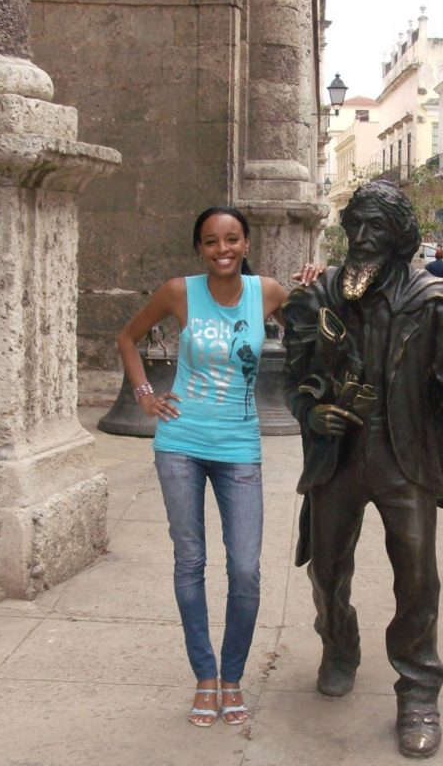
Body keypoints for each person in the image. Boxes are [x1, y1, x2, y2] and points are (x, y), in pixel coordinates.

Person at [281, 180, 443, 759]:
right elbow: (294, 376)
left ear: (399, 237)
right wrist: (312, 410)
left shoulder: (434, 300)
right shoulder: (321, 294)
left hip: (406, 457)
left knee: (418, 578)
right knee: (325, 571)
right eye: (355, 226)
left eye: (375, 228)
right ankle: (338, 644)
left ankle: (419, 692)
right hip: (340, 455)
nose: (361, 238)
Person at [116, 206, 319, 728]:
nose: (222, 249)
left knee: (246, 569)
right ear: (199, 249)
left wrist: (317, 286)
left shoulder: (267, 292)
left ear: (246, 244)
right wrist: (145, 396)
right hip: (180, 441)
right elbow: (127, 338)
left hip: (239, 448)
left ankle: (233, 675)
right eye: (211, 241)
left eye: (231, 239)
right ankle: (206, 677)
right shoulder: (179, 292)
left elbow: (321, 327)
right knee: (190, 561)